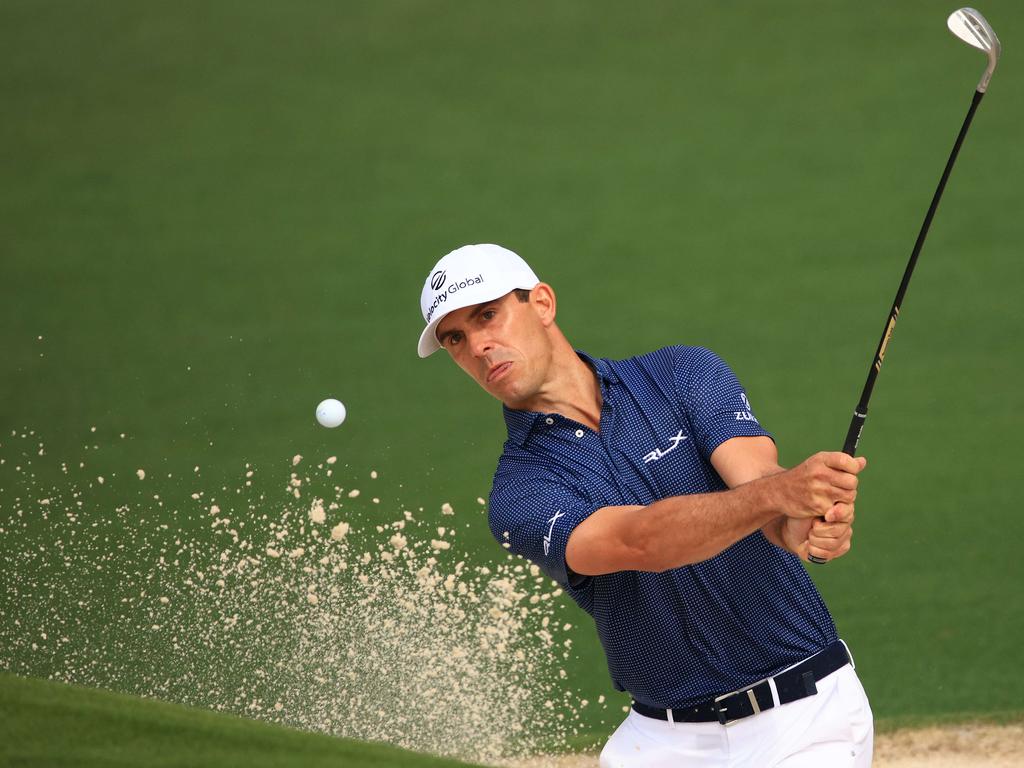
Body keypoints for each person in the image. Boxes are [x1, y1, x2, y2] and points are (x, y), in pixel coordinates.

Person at [416, 243, 873, 767]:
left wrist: (802, 524)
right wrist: (779, 494)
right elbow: (640, 541)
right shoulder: (519, 492)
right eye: (456, 338)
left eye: (488, 316)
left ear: (542, 303)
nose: (479, 346)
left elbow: (760, 487)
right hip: (664, 743)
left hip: (807, 717)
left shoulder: (681, 374)